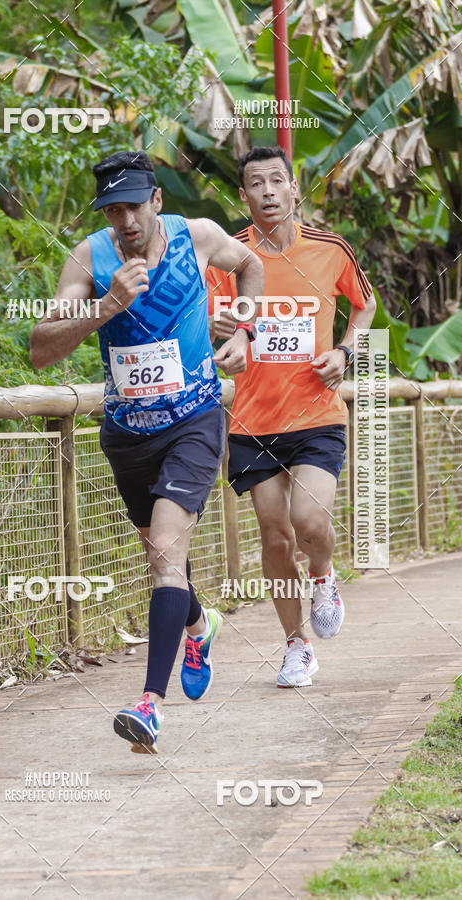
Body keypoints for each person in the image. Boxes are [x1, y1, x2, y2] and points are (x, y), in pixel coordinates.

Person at [30, 150, 264, 752]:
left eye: (133, 205)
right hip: (128, 433)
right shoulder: (90, 258)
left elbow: (252, 266)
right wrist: (106, 306)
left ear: (156, 201)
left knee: (164, 550)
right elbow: (41, 348)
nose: (125, 220)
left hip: (195, 419)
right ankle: (197, 623)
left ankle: (148, 705)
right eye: (113, 210)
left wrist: (243, 328)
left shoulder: (201, 236)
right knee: (165, 559)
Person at [207, 145, 376, 688]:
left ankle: (324, 574)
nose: (268, 192)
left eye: (277, 181)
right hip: (254, 420)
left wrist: (346, 352)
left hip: (316, 413)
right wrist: (229, 336)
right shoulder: (227, 254)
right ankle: (296, 647)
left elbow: (366, 304)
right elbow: (213, 320)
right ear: (243, 196)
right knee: (275, 538)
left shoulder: (330, 248)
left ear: (294, 187)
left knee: (308, 522)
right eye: (256, 184)